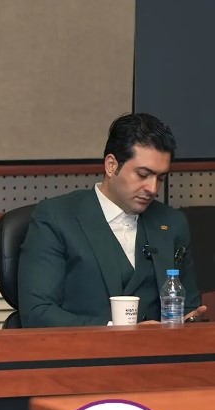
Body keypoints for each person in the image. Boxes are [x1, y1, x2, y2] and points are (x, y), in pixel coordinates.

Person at [18, 113, 207, 327]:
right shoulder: (57, 217)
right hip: (84, 347)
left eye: (161, 178)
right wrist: (116, 332)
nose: (153, 188)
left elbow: (188, 307)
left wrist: (189, 322)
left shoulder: (172, 223)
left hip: (160, 348)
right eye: (143, 174)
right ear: (111, 166)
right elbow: (37, 312)